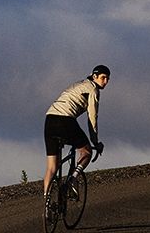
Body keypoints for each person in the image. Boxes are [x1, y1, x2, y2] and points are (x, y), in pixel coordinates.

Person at [42, 64, 110, 204]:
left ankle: (46, 203)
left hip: (49, 119)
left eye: (108, 79)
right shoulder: (93, 89)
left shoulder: (78, 84)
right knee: (86, 152)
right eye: (103, 78)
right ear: (94, 76)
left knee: (51, 167)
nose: (106, 82)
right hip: (65, 120)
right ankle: (73, 179)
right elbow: (92, 118)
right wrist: (95, 142)